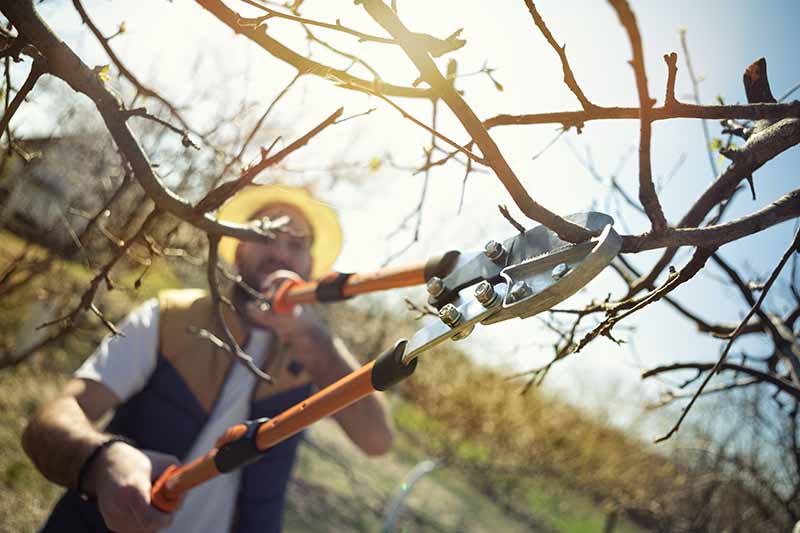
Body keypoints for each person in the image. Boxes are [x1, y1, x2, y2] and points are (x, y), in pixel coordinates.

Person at [22, 185, 394, 533]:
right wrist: (101, 460)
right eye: (265, 235)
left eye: (296, 244)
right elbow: (52, 419)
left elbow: (377, 440)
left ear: (310, 265)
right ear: (237, 246)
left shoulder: (316, 352)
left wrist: (312, 338)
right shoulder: (169, 317)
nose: (280, 254)